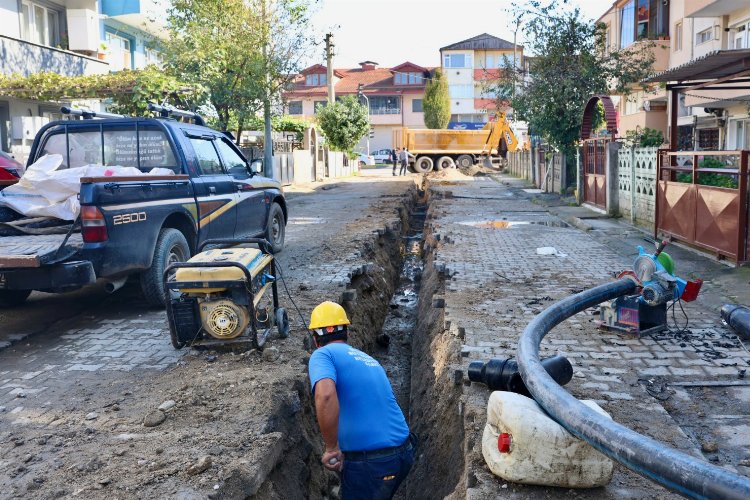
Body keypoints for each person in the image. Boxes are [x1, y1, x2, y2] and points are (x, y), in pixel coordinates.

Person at [307, 301, 415, 500]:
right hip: (404, 453)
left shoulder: (322, 355)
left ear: (315, 339)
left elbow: (325, 395)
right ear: (346, 333)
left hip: (374, 463)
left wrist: (332, 448)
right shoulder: (367, 359)